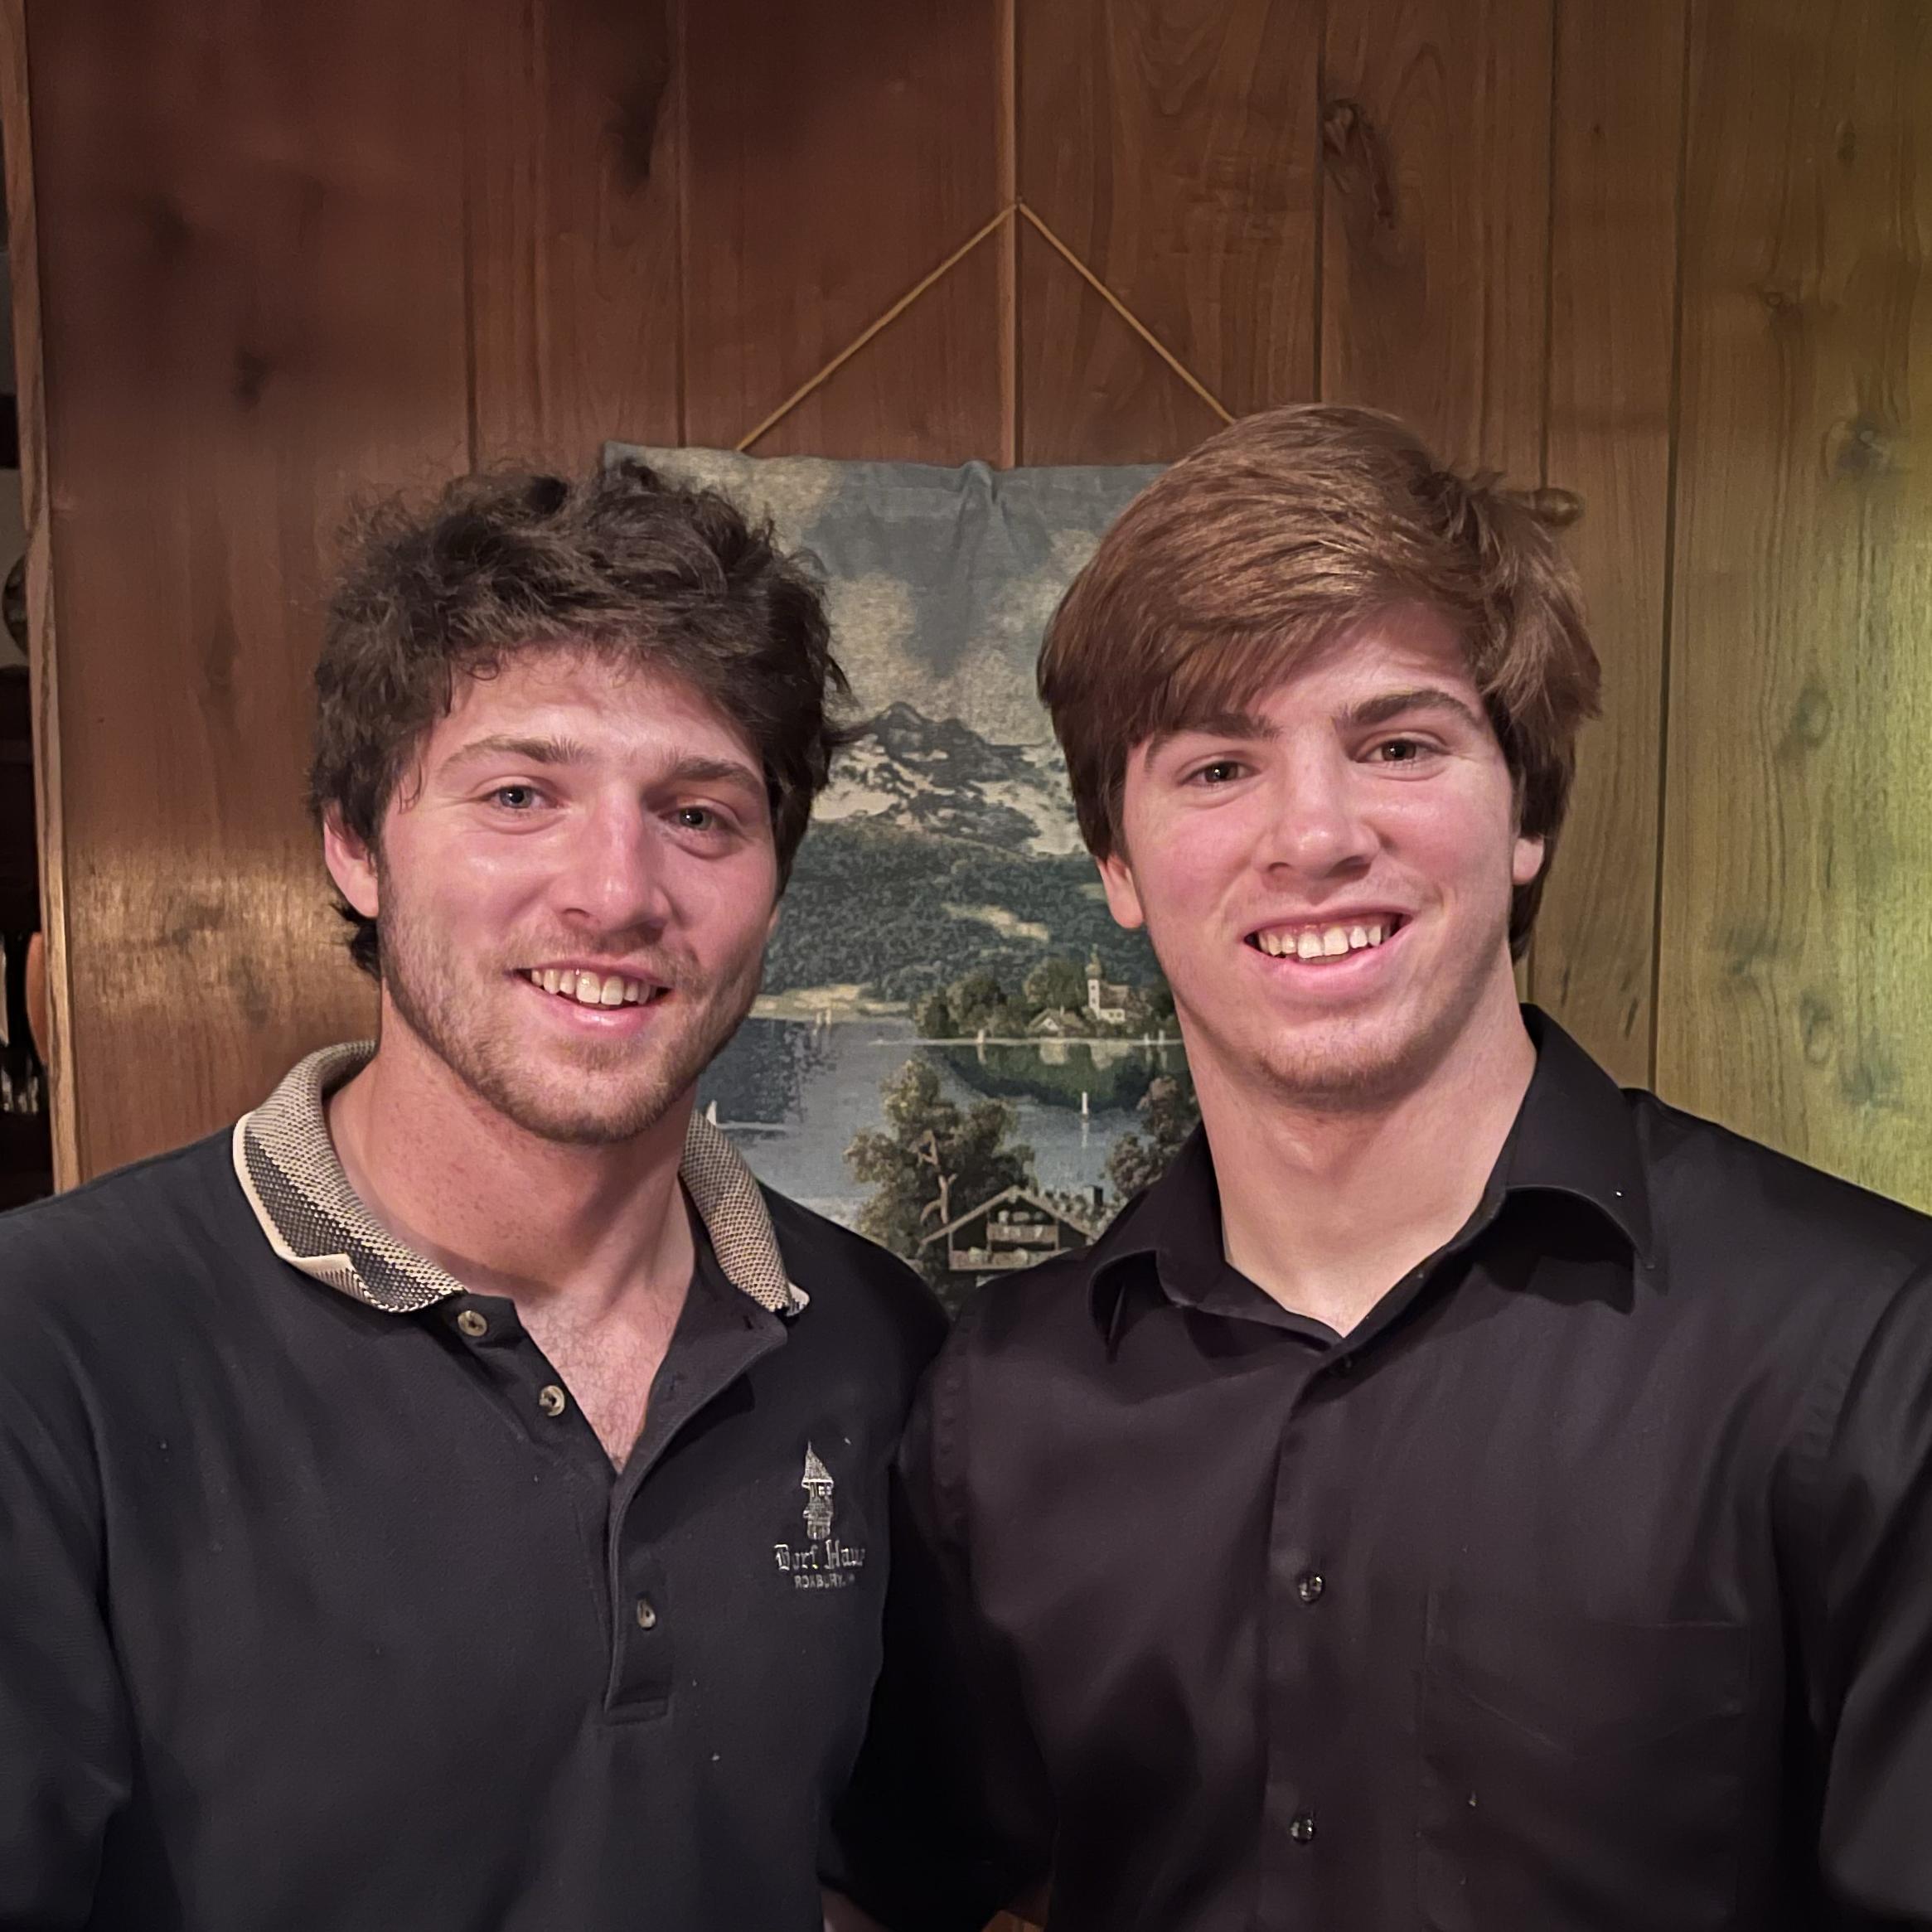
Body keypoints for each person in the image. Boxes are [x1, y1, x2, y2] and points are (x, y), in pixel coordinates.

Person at [834, 404, 1932, 1931]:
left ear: (1525, 812)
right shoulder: (1001, 1407)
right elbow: (894, 1888)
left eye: (1398, 744)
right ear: (1118, 864)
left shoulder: (1871, 1352)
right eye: (1220, 766)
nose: (1315, 835)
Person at [0, 465, 945, 1930]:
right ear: (354, 843)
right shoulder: (48, 1343)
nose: (616, 892)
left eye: (700, 814)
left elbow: (870, 1870)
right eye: (519, 795)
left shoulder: (871, 1339)